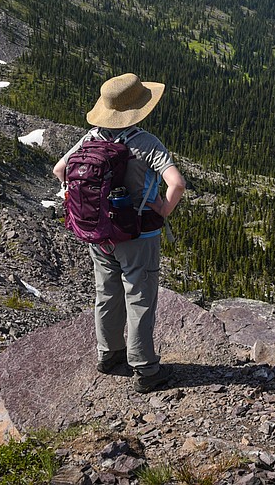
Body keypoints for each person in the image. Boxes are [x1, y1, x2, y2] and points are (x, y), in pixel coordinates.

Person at [53, 73, 187, 392]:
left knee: (107, 290)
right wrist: (163, 209)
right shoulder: (144, 142)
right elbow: (177, 183)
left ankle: (109, 353)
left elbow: (60, 170)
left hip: (99, 232)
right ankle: (145, 368)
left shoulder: (91, 138)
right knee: (138, 296)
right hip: (137, 234)